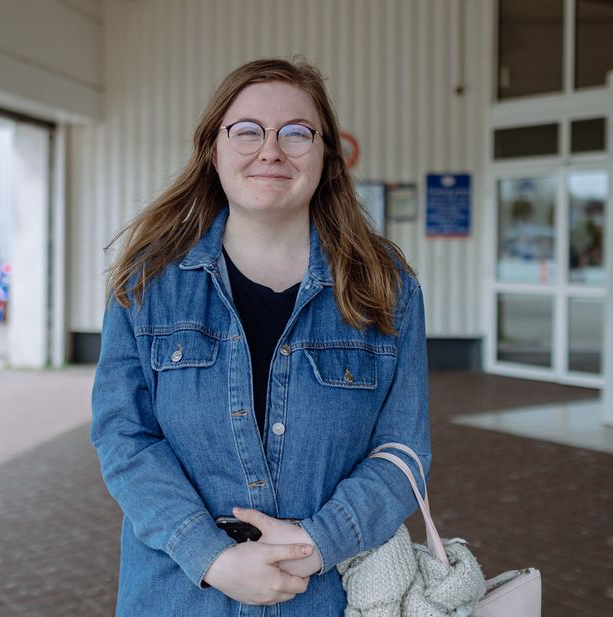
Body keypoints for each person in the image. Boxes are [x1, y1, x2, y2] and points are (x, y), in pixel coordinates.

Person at [90, 58, 430, 616]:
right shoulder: (148, 282)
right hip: (179, 593)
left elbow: (403, 454)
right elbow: (123, 436)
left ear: (326, 155)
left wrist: (318, 544)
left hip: (327, 595)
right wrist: (212, 557)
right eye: (247, 131)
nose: (270, 150)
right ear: (213, 150)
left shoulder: (387, 288)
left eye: (296, 133)